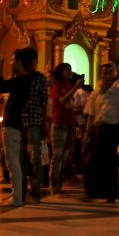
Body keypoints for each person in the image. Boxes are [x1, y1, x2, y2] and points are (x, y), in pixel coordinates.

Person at [83, 63, 119, 202]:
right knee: (95, 161)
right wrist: (87, 134)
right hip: (98, 130)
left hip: (112, 130)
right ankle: (94, 191)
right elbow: (91, 115)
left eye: (110, 73)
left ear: (114, 75)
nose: (107, 76)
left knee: (110, 162)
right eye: (104, 73)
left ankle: (110, 195)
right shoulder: (94, 94)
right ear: (100, 75)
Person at [0, 48, 34, 208]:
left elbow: (1, 86)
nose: (11, 63)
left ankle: (17, 197)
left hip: (12, 124)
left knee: (13, 162)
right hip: (13, 124)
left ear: (19, 62)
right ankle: (16, 194)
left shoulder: (22, 80)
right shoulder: (22, 80)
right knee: (13, 161)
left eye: (12, 60)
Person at [48, 63, 83, 197]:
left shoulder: (68, 85)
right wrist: (76, 87)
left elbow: (69, 107)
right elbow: (62, 102)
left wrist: (76, 123)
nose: (70, 72)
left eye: (70, 70)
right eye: (67, 70)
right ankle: (54, 187)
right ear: (61, 72)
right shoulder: (57, 86)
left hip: (69, 124)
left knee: (65, 156)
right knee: (57, 156)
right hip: (59, 124)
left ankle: (60, 184)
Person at [21, 48, 48, 204]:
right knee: (20, 158)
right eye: (33, 61)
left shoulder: (39, 78)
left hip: (34, 122)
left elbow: (44, 103)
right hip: (19, 122)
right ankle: (21, 190)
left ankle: (35, 191)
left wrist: (44, 123)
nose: (35, 64)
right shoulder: (18, 77)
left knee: (35, 158)